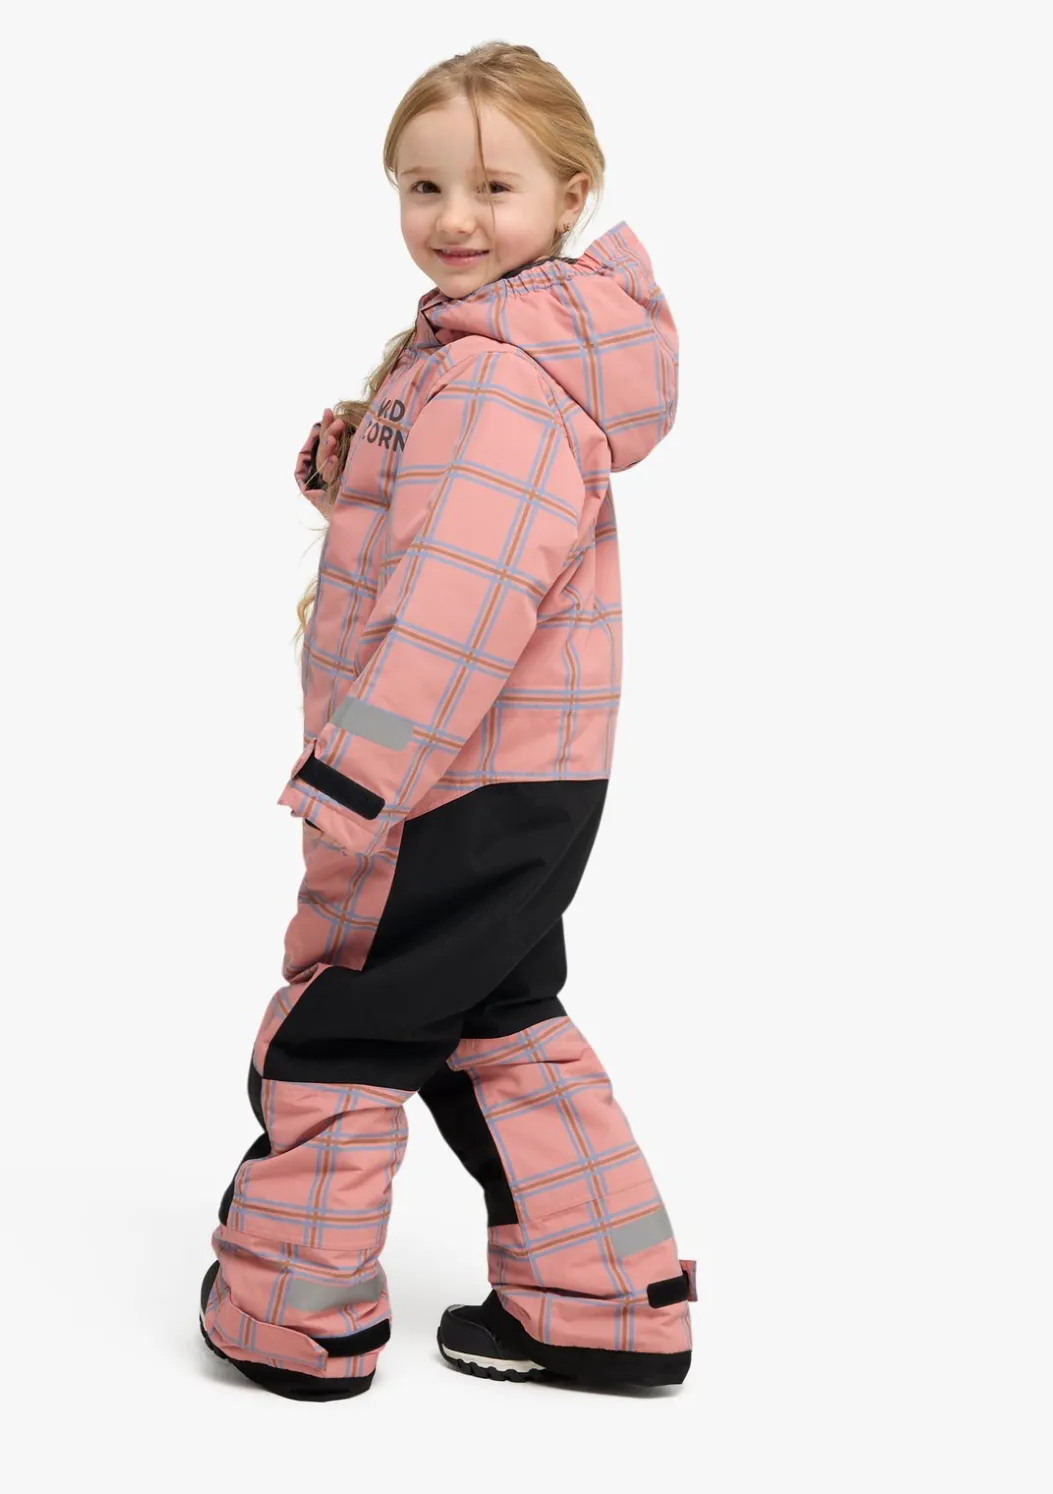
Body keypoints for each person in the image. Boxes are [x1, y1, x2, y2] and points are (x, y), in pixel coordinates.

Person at [198, 39, 697, 1401]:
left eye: (493, 186)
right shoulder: (510, 351)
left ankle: (293, 1313)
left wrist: (357, 773)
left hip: (442, 782)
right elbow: (462, 543)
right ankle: (605, 1298)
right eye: (424, 187)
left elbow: (458, 605)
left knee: (344, 1025)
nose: (455, 218)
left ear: (573, 194)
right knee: (497, 1019)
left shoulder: (493, 374)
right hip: (527, 775)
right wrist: (361, 477)